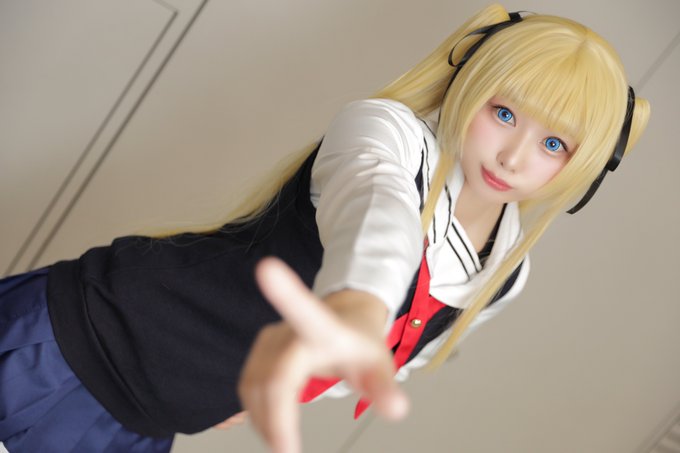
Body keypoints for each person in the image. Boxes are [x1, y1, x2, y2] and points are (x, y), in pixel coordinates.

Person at [0, 3, 649, 453]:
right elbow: (376, 217)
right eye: (504, 113)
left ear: (584, 166)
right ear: (468, 84)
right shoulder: (386, 133)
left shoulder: (503, 272)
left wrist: (282, 384)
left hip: (152, 415)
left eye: (554, 144)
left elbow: (393, 356)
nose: (513, 157)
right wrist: (358, 306)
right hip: (70, 344)